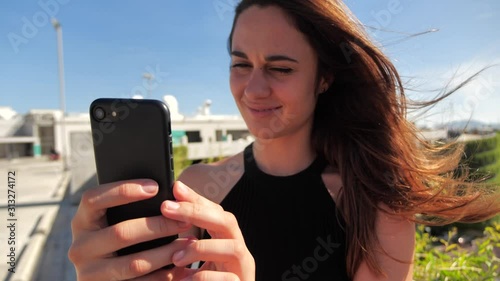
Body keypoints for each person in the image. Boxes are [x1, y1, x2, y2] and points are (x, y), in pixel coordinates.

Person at [68, 0, 500, 280]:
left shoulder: (372, 202)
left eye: (280, 68)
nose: (253, 89)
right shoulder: (197, 188)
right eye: (241, 64)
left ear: (325, 78)